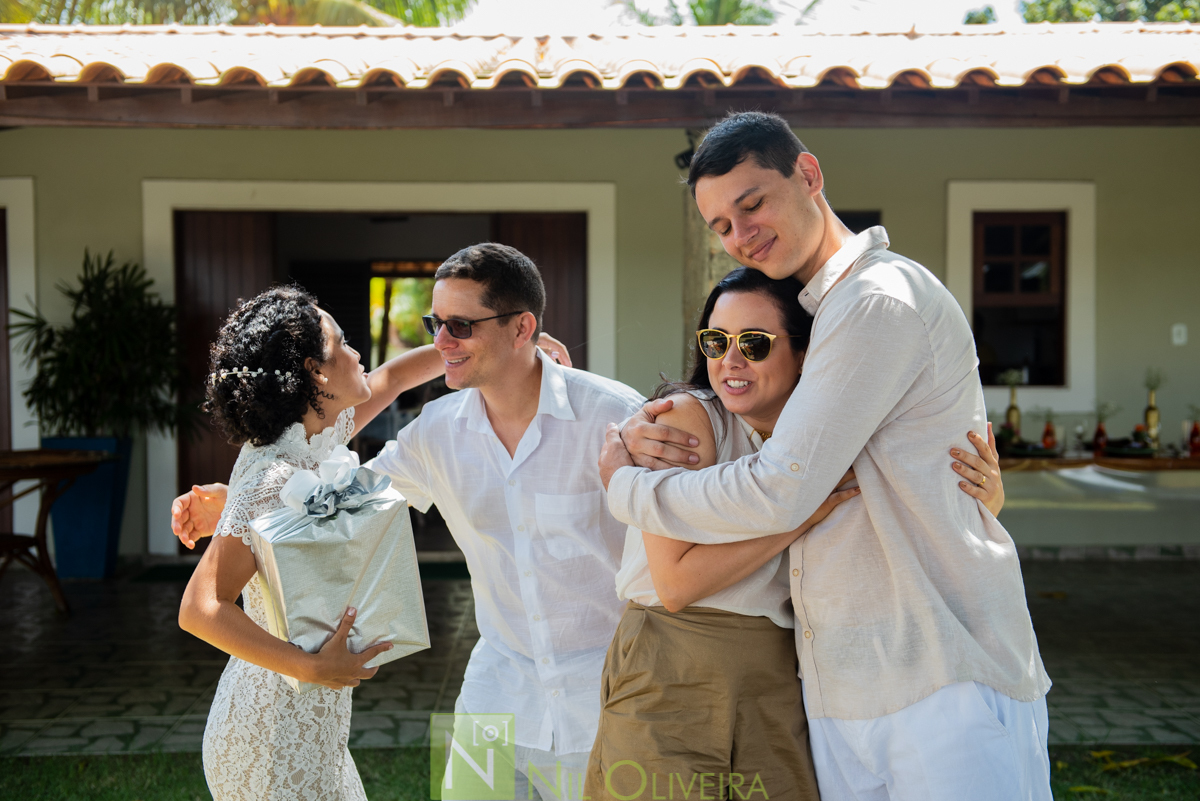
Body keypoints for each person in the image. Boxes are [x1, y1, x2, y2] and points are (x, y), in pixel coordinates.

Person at [598, 112, 1051, 801]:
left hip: (936, 673)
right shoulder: (824, 320)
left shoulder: (876, 299)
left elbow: (784, 488)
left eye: (752, 204)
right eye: (721, 225)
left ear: (808, 175)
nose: (740, 235)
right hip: (840, 687)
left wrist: (626, 487)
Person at [174, 244, 643, 800]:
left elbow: (387, 388)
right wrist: (242, 505)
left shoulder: (613, 417)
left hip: (603, 698)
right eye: (436, 324)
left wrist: (513, 347)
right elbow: (213, 597)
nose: (442, 340)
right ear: (313, 374)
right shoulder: (422, 436)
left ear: (521, 328)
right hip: (452, 697)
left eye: (460, 325)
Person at [587, 268, 1006, 800]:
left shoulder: (826, 437)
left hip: (780, 669)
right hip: (673, 661)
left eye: (754, 343)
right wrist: (801, 516)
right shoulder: (688, 419)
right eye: (715, 341)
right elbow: (674, 584)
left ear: (809, 354)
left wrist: (989, 497)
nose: (729, 361)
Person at [177, 286, 444, 801]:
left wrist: (484, 347)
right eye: (343, 343)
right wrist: (309, 667)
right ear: (316, 372)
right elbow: (200, 608)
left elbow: (393, 379)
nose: (358, 354)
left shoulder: (313, 439)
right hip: (269, 732)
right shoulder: (271, 474)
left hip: (312, 725)